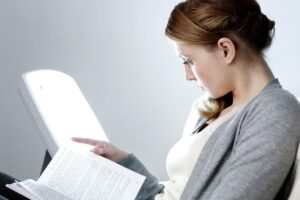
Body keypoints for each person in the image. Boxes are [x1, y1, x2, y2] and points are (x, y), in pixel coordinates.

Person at [1, 0, 300, 199]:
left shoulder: (276, 111)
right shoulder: (210, 109)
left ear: (225, 50)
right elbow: (175, 194)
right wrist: (126, 164)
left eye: (189, 61)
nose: (188, 75)